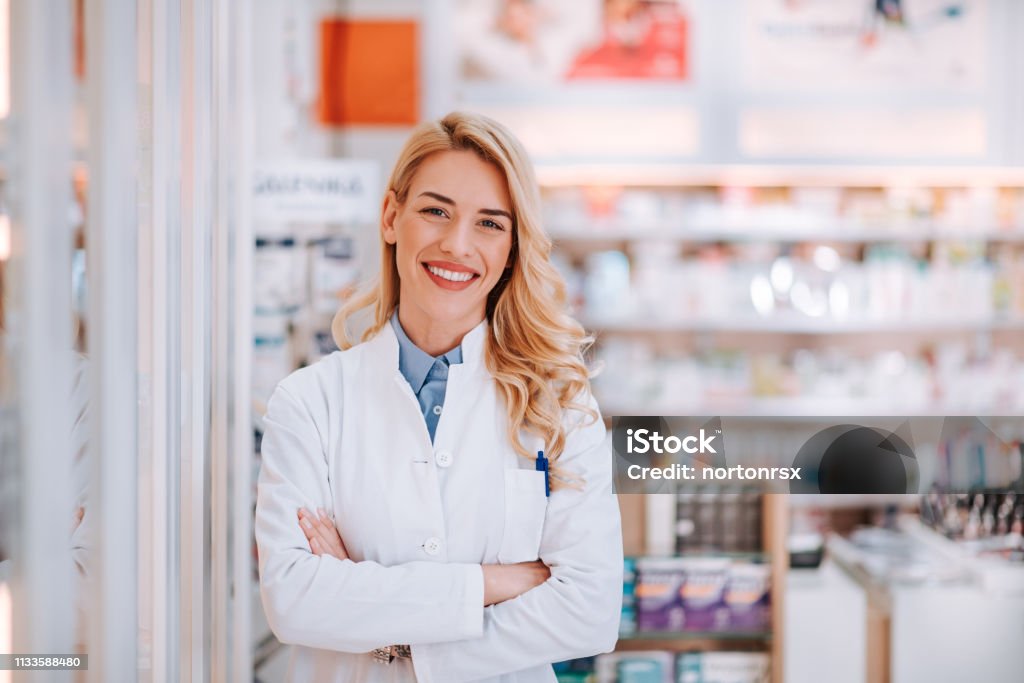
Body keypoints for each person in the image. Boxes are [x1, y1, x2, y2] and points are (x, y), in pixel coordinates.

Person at [254, 111, 623, 682]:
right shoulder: (309, 402)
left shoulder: (559, 402)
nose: (457, 245)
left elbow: (590, 610)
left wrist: (393, 636)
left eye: (490, 224)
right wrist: (496, 582)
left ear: (512, 248)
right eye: (435, 211)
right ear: (390, 216)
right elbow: (295, 600)